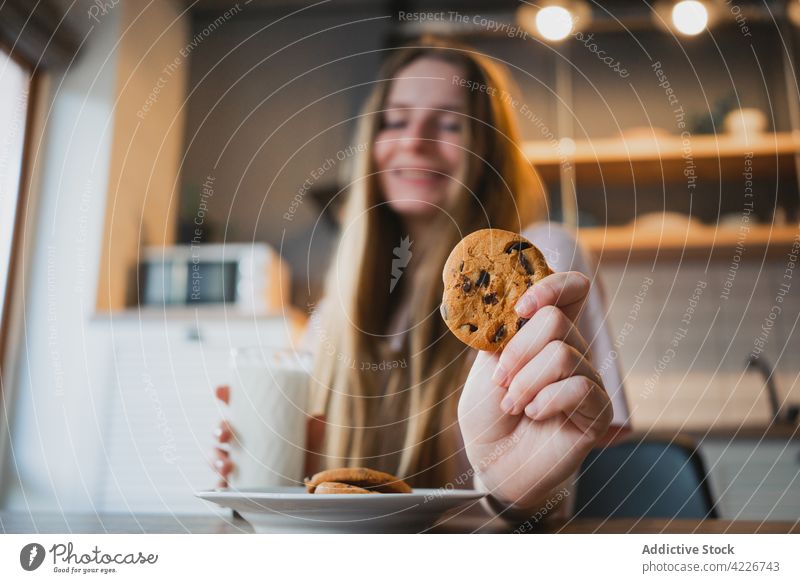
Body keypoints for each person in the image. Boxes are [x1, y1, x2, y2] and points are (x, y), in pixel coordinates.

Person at [212, 36, 629, 520]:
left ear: (487, 150)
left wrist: (513, 490)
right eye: (396, 120)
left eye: (449, 123)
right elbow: (327, 488)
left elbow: (597, 444)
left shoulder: (536, 261)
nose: (413, 141)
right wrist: (279, 469)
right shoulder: (340, 308)